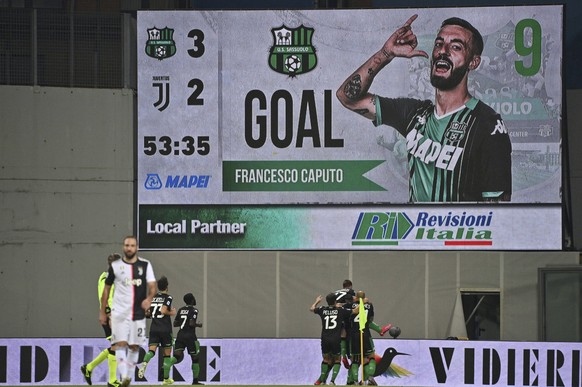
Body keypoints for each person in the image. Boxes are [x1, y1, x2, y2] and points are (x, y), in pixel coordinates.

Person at [337, 15, 512, 202]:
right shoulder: (413, 113)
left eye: (456, 47)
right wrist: (386, 53)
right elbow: (347, 97)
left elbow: (497, 213)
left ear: (473, 62)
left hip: (457, 231)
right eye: (439, 44)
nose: (443, 51)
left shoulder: (488, 123)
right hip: (417, 230)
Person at [99, 236, 157, 387]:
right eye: (127, 245)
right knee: (118, 345)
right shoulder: (110, 274)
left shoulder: (138, 269)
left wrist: (146, 302)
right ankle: (119, 378)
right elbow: (105, 294)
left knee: (130, 345)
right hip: (116, 314)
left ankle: (124, 376)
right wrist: (106, 313)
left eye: (132, 245)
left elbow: (148, 287)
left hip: (131, 314)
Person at [81, 253, 122, 387]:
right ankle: (111, 380)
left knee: (115, 346)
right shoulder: (106, 278)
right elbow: (104, 297)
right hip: (109, 315)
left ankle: (89, 368)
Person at [311, 293, 357, 385]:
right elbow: (355, 311)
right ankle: (332, 381)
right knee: (337, 360)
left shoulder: (322, 309)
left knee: (326, 359)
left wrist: (317, 302)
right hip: (336, 339)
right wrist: (360, 301)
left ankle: (322, 381)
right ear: (335, 301)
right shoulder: (340, 310)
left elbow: (311, 309)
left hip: (324, 338)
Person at [138, 276, 176, 385]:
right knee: (167, 354)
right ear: (167, 287)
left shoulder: (154, 297)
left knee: (151, 351)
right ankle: (165, 379)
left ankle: (144, 363)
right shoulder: (168, 298)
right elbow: (163, 310)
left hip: (154, 328)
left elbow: (147, 313)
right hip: (165, 328)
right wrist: (172, 312)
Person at [168, 293, 204, 385]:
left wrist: (184, 321)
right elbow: (192, 324)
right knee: (195, 358)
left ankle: (166, 366)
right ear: (192, 300)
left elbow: (175, 324)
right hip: (190, 336)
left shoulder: (181, 310)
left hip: (180, 335)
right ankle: (195, 381)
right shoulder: (194, 310)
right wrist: (198, 325)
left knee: (176, 356)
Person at [347, 291, 377, 386]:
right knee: (371, 357)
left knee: (355, 359)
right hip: (366, 333)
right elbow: (371, 319)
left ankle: (355, 381)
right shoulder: (369, 305)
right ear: (364, 297)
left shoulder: (350, 306)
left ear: (356, 297)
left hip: (354, 334)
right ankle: (370, 378)